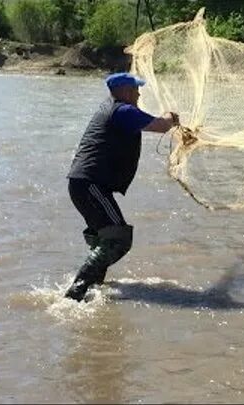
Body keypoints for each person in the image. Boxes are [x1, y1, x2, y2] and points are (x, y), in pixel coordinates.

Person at [65, 72, 179, 301]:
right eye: (136, 89)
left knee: (106, 236)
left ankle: (92, 288)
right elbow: (160, 125)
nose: (138, 94)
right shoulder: (123, 111)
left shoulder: (111, 108)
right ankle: (74, 294)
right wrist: (171, 117)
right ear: (126, 91)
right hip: (90, 184)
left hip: (84, 184)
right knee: (118, 239)